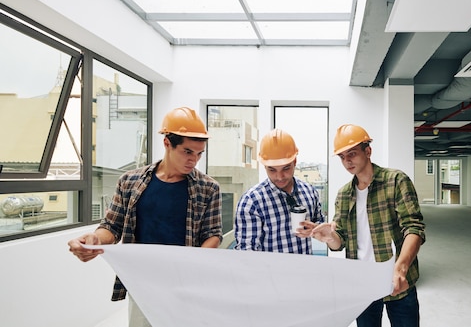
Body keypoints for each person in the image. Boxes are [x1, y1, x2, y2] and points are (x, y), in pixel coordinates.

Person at [67, 106, 222, 327]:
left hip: (186, 284)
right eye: (188, 152)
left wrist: (193, 267)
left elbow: (213, 234)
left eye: (199, 154)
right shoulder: (129, 182)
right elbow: (112, 227)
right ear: (167, 143)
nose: (194, 160)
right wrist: (94, 240)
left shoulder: (208, 188)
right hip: (142, 282)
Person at [311, 124, 426, 327]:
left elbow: (414, 228)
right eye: (342, 157)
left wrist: (401, 267)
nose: (347, 161)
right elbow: (340, 242)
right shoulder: (344, 194)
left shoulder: (396, 181)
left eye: (352, 154)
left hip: (397, 280)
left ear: (368, 151)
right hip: (362, 284)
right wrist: (330, 237)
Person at [235, 128, 324, 254]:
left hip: (305, 271)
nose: (280, 177)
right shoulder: (252, 202)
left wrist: (317, 230)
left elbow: (320, 227)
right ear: (264, 166)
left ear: (295, 162)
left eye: (286, 168)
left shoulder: (309, 192)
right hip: (269, 273)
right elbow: (246, 254)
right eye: (272, 170)